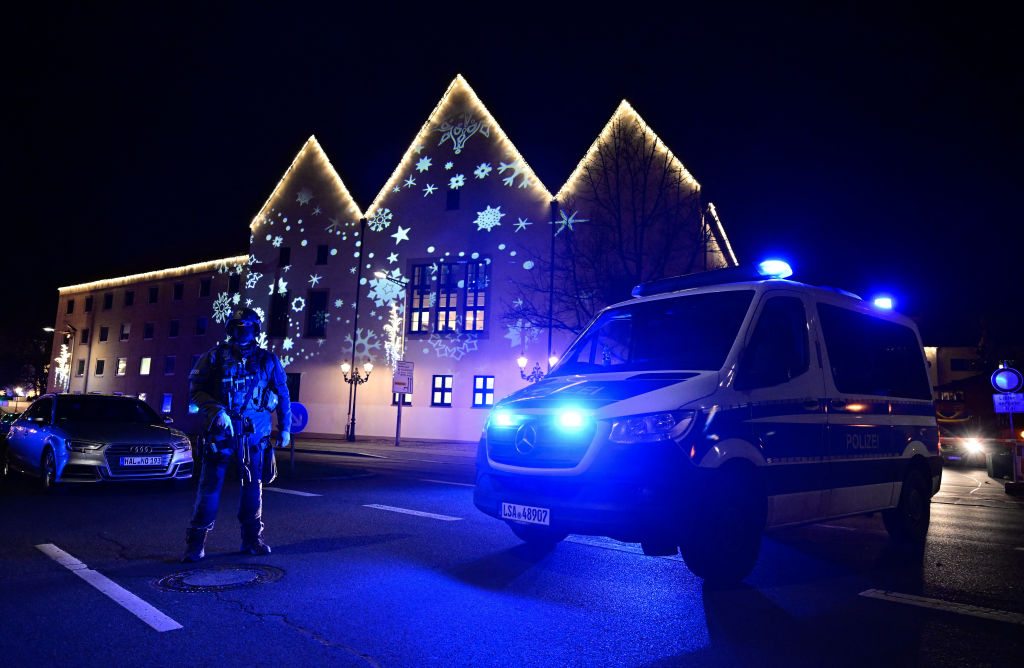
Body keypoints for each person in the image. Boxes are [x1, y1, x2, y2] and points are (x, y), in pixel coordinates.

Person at [182, 307, 291, 562]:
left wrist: (285, 427)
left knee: (253, 488)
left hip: (254, 436)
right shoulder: (214, 356)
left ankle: (252, 539)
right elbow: (196, 390)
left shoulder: (268, 360)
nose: (243, 332)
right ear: (230, 329)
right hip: (222, 433)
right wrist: (216, 410)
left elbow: (283, 394)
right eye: (238, 327)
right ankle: (195, 543)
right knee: (209, 488)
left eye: (249, 328)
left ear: (255, 330)